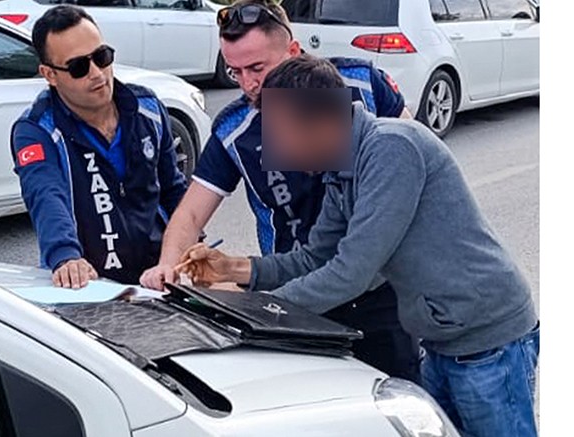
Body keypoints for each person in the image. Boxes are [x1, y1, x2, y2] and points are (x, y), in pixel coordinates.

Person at [178, 55, 540, 437]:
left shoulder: (391, 149)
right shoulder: (341, 170)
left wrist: (261, 314)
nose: (282, 157)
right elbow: (314, 257)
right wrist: (232, 268)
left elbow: (352, 272)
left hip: (488, 343)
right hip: (443, 339)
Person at [139, 0, 419, 382]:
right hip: (296, 286)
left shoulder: (362, 83)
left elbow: (415, 158)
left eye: (257, 68)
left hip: (380, 289)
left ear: (293, 50)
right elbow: (189, 214)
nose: (248, 84)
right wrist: (168, 265)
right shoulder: (235, 128)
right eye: (235, 71)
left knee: (401, 395)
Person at [10, 5, 187, 289]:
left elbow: (173, 188)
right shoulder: (37, 130)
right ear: (49, 74)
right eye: (78, 67)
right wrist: (65, 257)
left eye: (102, 57)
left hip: (160, 278)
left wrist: (193, 243)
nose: (97, 73)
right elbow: (45, 195)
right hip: (91, 286)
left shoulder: (149, 108)